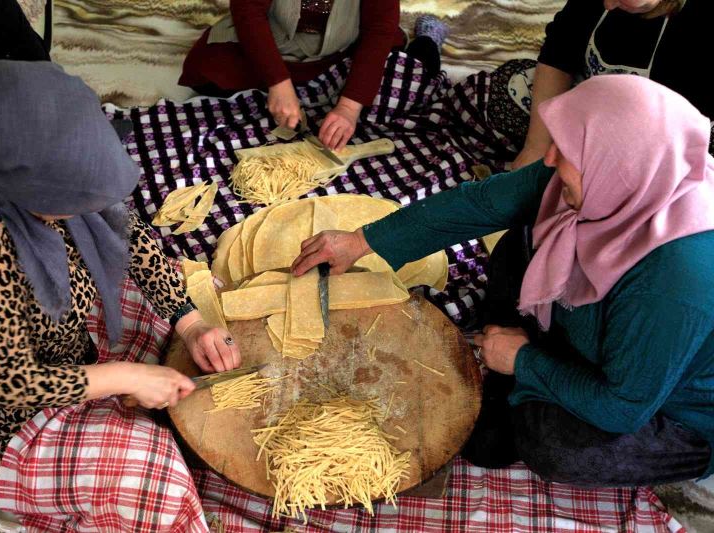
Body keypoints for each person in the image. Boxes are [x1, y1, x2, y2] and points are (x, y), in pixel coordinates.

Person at [292, 75, 714, 485]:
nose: (549, 159)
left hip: (666, 406)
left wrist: (524, 361)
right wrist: (361, 241)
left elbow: (623, 406)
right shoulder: (618, 177)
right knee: (520, 243)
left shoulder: (675, 281)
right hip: (597, 341)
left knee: (549, 443)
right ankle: (521, 360)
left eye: (567, 151)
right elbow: (479, 204)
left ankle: (520, 365)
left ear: (619, 167)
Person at [0, 61, 239, 529]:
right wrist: (126, 378)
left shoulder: (55, 168)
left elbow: (128, 236)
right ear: (32, 187)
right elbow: (11, 382)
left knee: (168, 308)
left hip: (65, 344)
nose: (86, 209)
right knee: (153, 481)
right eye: (73, 202)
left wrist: (189, 322)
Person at [179, 1, 448, 151]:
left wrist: (348, 107)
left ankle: (427, 41)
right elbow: (248, 11)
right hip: (278, 38)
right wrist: (279, 84)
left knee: (406, 80)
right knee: (211, 76)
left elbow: (378, 28)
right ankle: (297, 92)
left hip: (346, 44)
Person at [512, 0, 712, 168]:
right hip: (593, 109)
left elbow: (673, 136)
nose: (608, 4)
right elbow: (558, 53)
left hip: (662, 141)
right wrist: (536, 147)